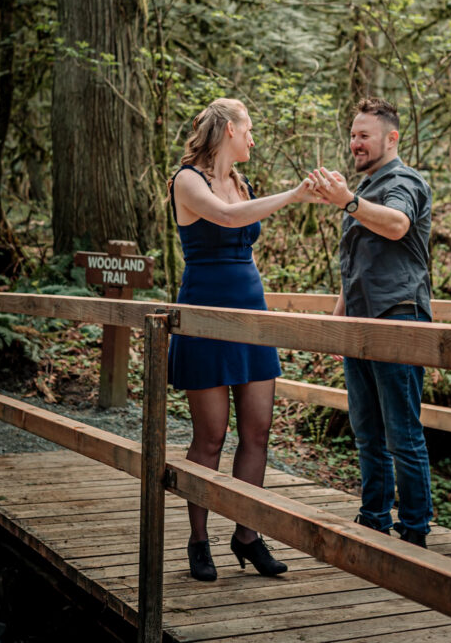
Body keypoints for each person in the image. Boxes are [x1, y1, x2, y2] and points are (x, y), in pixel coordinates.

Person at [167, 97, 317, 582]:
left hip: (251, 316)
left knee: (257, 430)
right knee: (210, 437)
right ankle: (198, 540)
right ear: (230, 129)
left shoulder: (241, 183)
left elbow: (243, 229)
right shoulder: (188, 180)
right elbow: (228, 219)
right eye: (249, 129)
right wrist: (294, 195)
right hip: (206, 318)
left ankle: (246, 535)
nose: (253, 138)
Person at [309, 97, 433, 547]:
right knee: (367, 430)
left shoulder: (404, 181)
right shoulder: (366, 189)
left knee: (402, 430)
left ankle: (414, 531)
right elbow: (357, 266)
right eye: (353, 134)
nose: (354, 143)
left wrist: (348, 200)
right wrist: (338, 323)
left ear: (391, 137)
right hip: (360, 324)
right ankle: (374, 517)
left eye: (364, 135)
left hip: (398, 318)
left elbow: (398, 225)